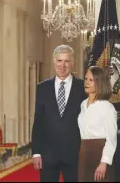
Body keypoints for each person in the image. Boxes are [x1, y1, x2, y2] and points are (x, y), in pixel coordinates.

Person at [31, 45, 87, 182]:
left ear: (73, 63)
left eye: (66, 61)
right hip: (48, 155)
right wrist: (36, 152)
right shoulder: (42, 88)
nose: (63, 65)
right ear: (54, 61)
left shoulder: (83, 87)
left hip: (75, 154)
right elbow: (38, 121)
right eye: (59, 61)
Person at [78, 66, 117, 182]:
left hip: (100, 155)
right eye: (85, 79)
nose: (87, 82)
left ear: (99, 82)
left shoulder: (107, 108)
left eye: (91, 80)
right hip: (83, 156)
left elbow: (111, 139)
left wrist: (104, 162)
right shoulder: (83, 105)